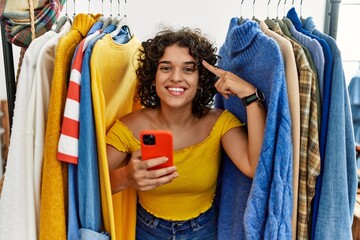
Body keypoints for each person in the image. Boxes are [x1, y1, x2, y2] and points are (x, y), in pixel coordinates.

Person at [106, 27, 266, 240]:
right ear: (152, 77)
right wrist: (126, 176)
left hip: (204, 230)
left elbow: (254, 166)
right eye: (165, 68)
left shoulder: (220, 123)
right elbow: (88, 186)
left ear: (200, 79)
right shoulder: (128, 127)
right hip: (146, 231)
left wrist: (250, 95)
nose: (176, 77)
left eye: (188, 69)